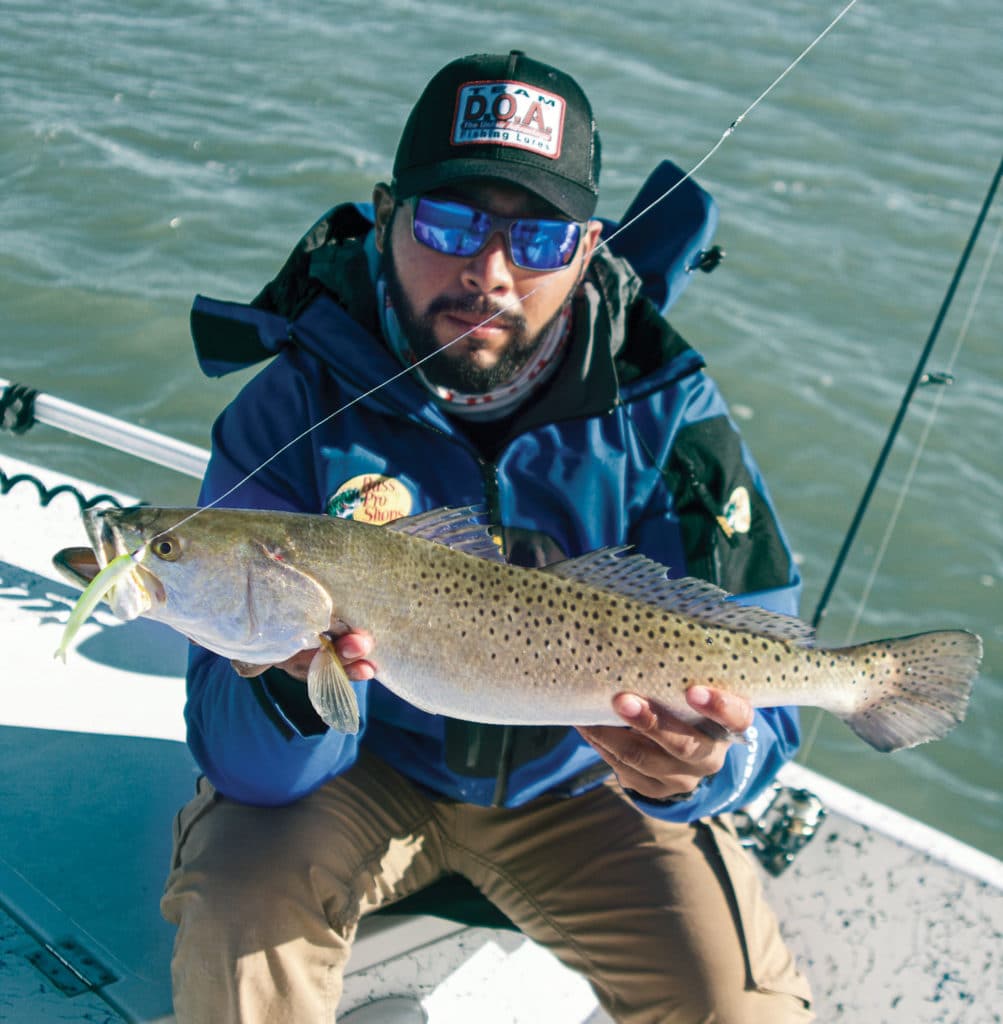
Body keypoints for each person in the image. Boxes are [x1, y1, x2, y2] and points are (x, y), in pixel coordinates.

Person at [161, 50, 814, 1023]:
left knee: (741, 1006)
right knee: (236, 909)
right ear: (387, 218)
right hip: (365, 769)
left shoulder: (669, 407)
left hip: (590, 778)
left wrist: (703, 764)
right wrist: (295, 697)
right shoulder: (290, 405)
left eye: (538, 237)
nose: (490, 270)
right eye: (451, 222)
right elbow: (237, 756)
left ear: (588, 248)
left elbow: (769, 680)